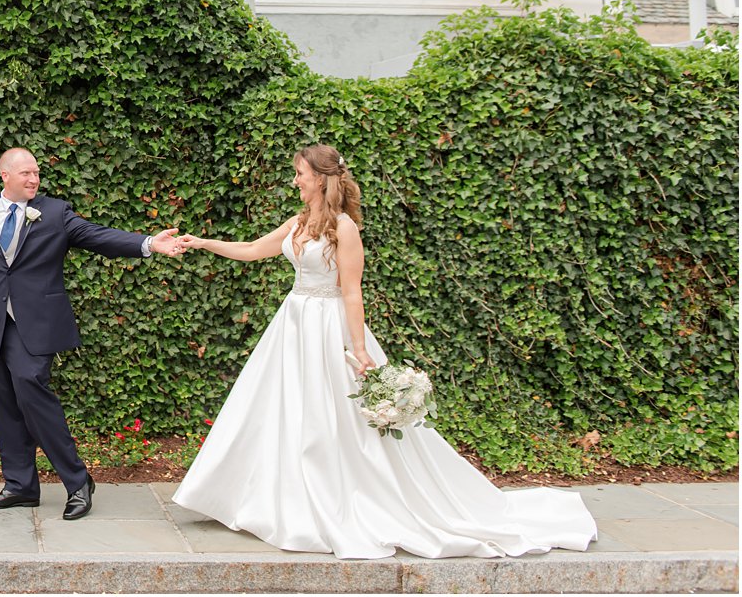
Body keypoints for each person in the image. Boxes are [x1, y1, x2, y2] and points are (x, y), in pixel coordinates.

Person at [170, 144, 597, 559]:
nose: (295, 180)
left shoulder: (344, 228)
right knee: (282, 409)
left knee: (332, 416)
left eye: (300, 173)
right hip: (293, 324)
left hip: (328, 328)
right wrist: (204, 242)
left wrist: (358, 349)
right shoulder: (298, 222)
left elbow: (351, 291)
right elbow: (251, 250)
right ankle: (283, 496)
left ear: (319, 179)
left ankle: (338, 497)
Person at [0, 147, 185, 520]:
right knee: (6, 406)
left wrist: (148, 243)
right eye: (26, 173)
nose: (34, 179)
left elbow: (97, 236)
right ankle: (20, 486)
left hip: (37, 325)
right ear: (5, 175)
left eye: (36, 173)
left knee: (31, 388)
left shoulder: (54, 212)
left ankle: (77, 480)